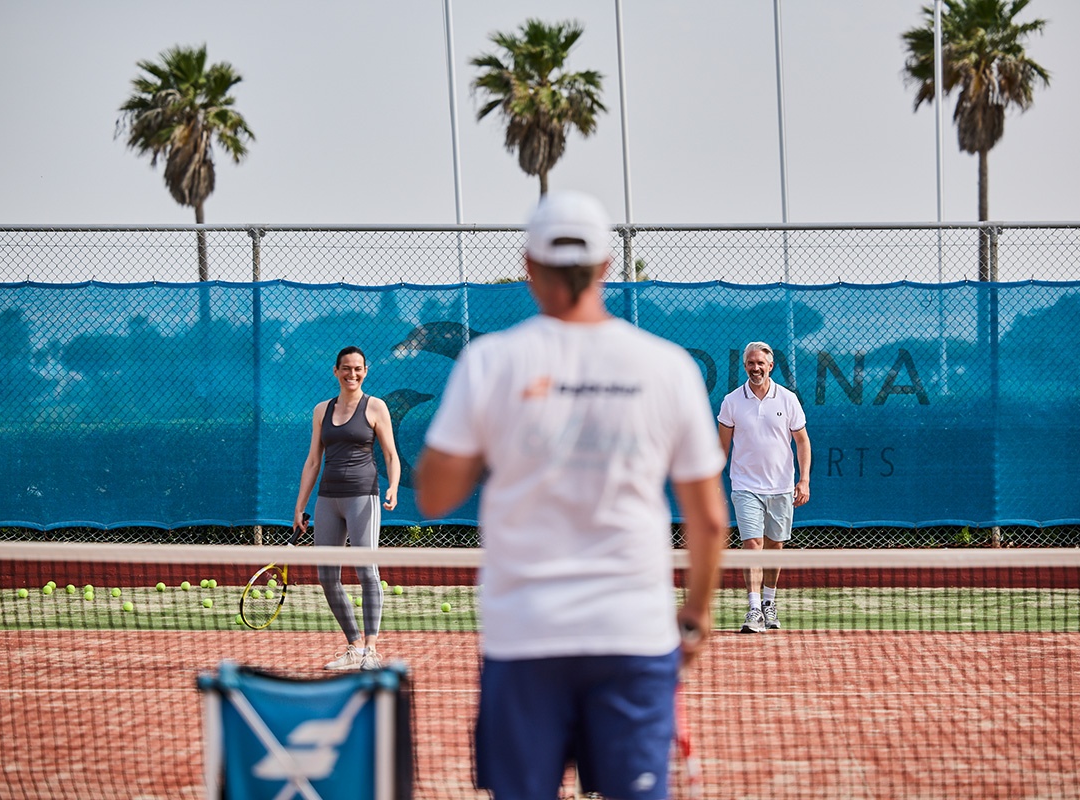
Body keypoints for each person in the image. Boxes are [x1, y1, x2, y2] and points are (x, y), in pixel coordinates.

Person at [415, 190, 728, 800]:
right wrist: (693, 618)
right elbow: (710, 521)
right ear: (609, 266)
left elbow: (433, 495)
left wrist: (502, 439)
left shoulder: (491, 363)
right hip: (634, 636)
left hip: (524, 638)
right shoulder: (667, 367)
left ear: (528, 266)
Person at [294, 346, 401, 671]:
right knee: (327, 576)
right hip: (328, 498)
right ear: (336, 371)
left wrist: (393, 486)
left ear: (365, 371)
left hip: (363, 496)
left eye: (357, 369)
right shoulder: (321, 411)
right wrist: (300, 505)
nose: (352, 374)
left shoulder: (376, 407)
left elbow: (391, 455)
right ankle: (353, 646)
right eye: (346, 369)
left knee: (367, 572)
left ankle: (371, 650)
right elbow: (313, 461)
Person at [717, 340, 811, 633]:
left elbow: (802, 441)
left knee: (774, 546)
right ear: (744, 366)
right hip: (745, 485)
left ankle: (770, 603)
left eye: (760, 363)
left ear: (771, 366)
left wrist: (804, 479)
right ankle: (754, 608)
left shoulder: (788, 399)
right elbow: (721, 448)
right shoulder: (731, 401)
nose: (755, 368)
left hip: (781, 486)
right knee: (752, 545)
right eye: (750, 363)